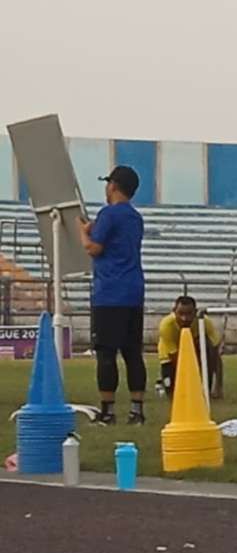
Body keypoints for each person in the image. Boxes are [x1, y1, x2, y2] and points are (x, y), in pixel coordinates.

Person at [78, 166, 147, 425]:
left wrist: (83, 232)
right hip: (134, 291)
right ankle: (137, 410)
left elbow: (94, 248)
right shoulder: (136, 217)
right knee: (132, 353)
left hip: (109, 293)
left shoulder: (108, 214)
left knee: (106, 353)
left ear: (114, 186)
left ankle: (107, 411)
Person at [157, 296, 223, 399]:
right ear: (174, 311)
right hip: (171, 357)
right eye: (181, 314)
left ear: (195, 312)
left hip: (195, 350)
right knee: (173, 393)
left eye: (189, 314)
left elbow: (215, 354)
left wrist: (218, 386)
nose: (185, 318)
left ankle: (206, 388)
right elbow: (175, 358)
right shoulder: (166, 325)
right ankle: (163, 381)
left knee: (208, 348)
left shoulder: (204, 322)